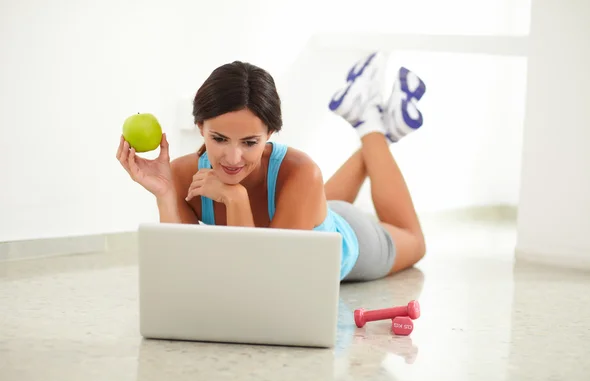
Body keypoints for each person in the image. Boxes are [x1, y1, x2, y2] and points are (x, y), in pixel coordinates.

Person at [116, 51, 427, 282]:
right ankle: (373, 118)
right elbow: (181, 269)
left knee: (413, 240)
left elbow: (264, 280)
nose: (233, 158)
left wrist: (234, 197)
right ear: (200, 128)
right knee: (313, 199)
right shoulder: (182, 175)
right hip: (305, 213)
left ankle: (369, 122)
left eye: (250, 142)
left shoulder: (302, 172)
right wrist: (165, 194)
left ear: (270, 135)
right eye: (219, 138)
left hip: (350, 243)